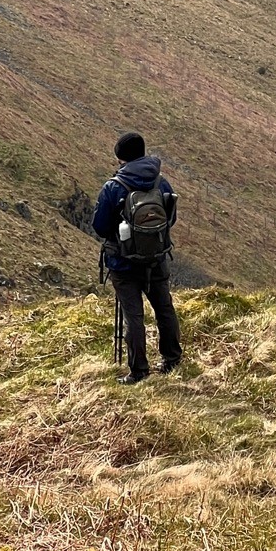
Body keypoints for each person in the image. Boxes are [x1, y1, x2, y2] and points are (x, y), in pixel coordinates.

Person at [92, 131, 181, 385]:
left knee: (134, 316)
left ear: (120, 157)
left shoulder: (113, 187)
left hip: (123, 262)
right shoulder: (160, 182)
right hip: (156, 258)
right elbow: (170, 219)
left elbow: (99, 226)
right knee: (164, 308)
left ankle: (139, 371)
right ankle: (172, 359)